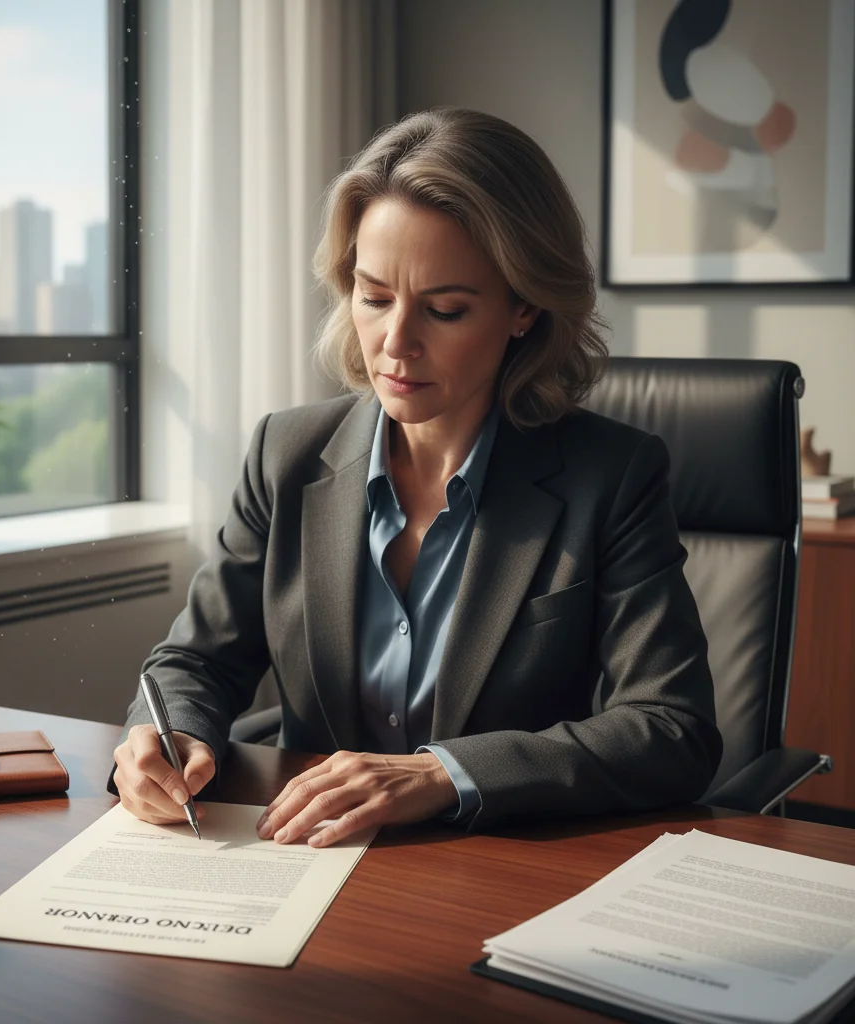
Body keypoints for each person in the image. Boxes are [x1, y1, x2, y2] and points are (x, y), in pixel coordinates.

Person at [110, 107, 722, 848]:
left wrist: (441, 775)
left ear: (524, 307)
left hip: (492, 872)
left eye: (445, 309)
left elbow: (671, 728)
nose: (394, 344)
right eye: (373, 297)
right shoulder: (287, 452)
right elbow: (194, 661)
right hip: (300, 857)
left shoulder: (611, 476)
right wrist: (162, 733)